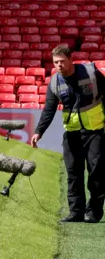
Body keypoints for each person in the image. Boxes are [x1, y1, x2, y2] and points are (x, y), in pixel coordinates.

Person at [30, 45, 105, 223]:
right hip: (72, 134)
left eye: (62, 61)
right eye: (56, 62)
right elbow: (49, 110)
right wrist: (38, 131)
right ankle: (76, 212)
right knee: (73, 173)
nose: (59, 65)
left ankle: (93, 212)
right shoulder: (55, 82)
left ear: (71, 59)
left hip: (95, 132)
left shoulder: (91, 73)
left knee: (96, 172)